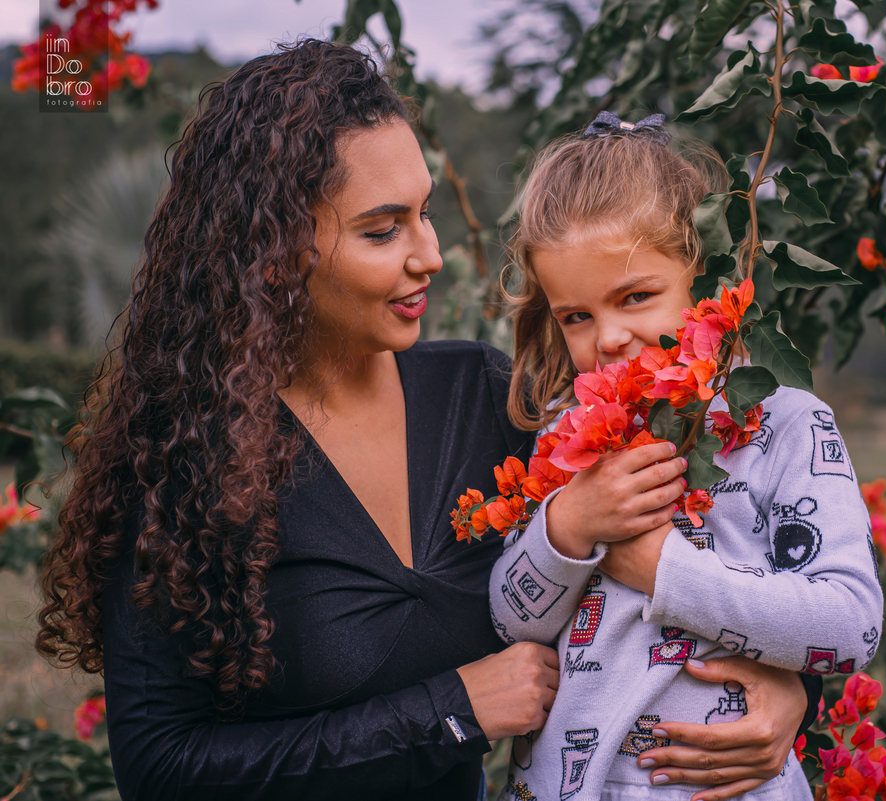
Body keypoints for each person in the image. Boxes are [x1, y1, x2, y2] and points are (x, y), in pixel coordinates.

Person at [33, 41, 815, 801]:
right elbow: (162, 767)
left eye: (426, 213)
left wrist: (792, 689)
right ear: (274, 251)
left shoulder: (486, 399)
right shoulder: (187, 459)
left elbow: (711, 538)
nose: (430, 254)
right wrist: (448, 710)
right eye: (384, 229)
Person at [489, 116, 884, 801]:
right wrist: (568, 527)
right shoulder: (566, 435)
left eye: (635, 296)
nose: (607, 336)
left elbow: (851, 624)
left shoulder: (785, 425)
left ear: (703, 278)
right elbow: (509, 618)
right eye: (575, 315)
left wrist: (665, 571)